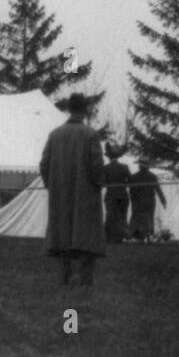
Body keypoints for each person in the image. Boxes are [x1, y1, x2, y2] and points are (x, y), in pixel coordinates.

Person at [39, 92, 106, 286]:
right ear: (85, 110)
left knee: (62, 234)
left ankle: (63, 276)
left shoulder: (55, 134)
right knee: (87, 236)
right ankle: (86, 279)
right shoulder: (91, 134)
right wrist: (99, 183)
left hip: (60, 195)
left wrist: (51, 185)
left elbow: (44, 164)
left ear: (69, 109)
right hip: (85, 194)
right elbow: (96, 165)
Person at [129, 159, 167, 242]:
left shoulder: (134, 177)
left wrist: (132, 199)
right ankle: (148, 234)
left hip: (138, 200)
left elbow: (132, 190)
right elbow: (158, 189)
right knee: (149, 217)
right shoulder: (152, 176)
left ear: (140, 166)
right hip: (150, 200)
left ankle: (138, 236)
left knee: (137, 217)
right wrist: (163, 201)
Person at [102, 144, 131, 244]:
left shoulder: (105, 168)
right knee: (122, 216)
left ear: (109, 157)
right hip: (123, 195)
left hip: (111, 195)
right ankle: (120, 237)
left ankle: (109, 238)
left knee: (110, 216)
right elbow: (130, 181)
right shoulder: (124, 167)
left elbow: (103, 182)